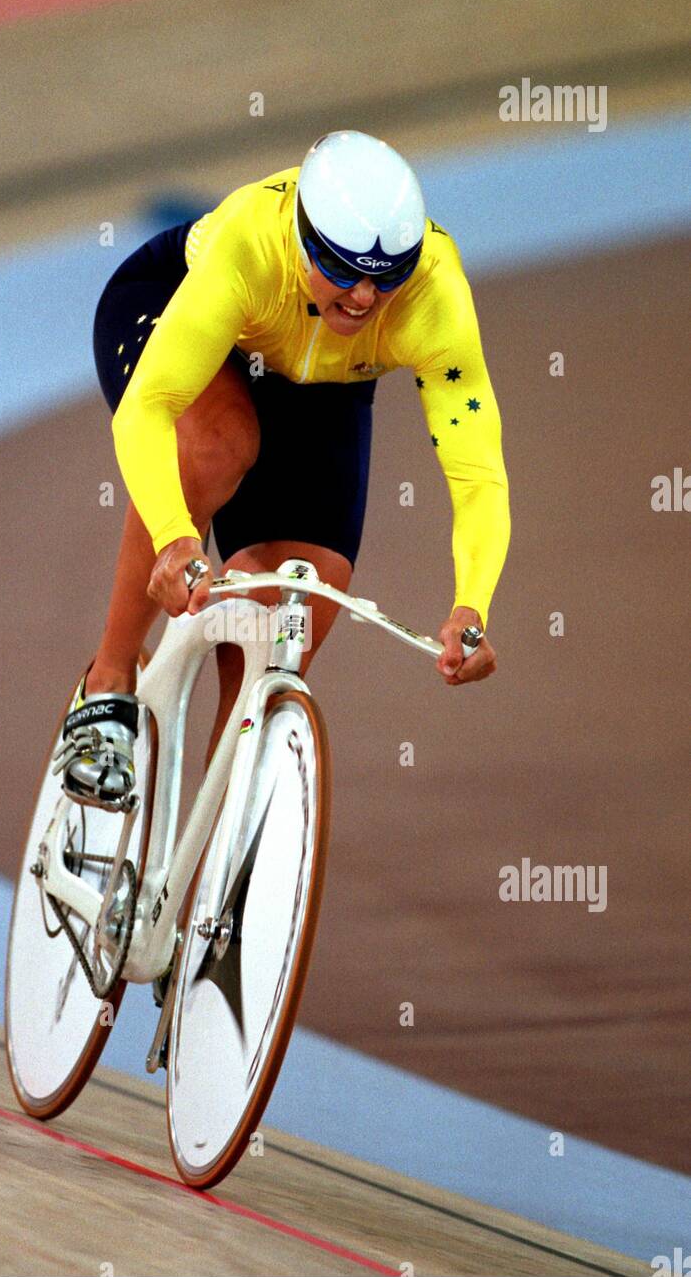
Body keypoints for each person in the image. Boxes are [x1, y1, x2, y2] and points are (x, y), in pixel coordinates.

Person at [55, 130, 510, 809]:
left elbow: (478, 474)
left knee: (294, 613)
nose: (363, 296)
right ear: (303, 240)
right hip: (182, 310)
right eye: (344, 269)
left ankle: (208, 874)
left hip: (322, 377)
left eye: (387, 276)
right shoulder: (250, 244)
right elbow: (149, 408)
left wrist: (472, 606)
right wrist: (177, 537)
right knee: (217, 446)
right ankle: (109, 684)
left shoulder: (434, 292)